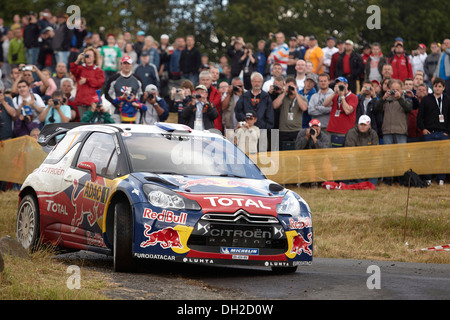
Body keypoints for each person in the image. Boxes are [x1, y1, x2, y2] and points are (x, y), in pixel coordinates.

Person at [417, 78, 449, 185]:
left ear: (443, 88)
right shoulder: (426, 99)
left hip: (443, 134)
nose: (437, 88)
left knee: (443, 157)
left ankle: (441, 179)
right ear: (432, 87)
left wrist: (448, 132)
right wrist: (423, 129)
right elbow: (419, 117)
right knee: (428, 157)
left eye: (440, 86)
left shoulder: (448, 100)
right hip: (429, 133)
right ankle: (428, 179)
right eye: (435, 86)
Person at [105, 55, 143, 123]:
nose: (126, 66)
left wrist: (137, 104)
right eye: (124, 63)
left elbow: (142, 95)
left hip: (133, 113)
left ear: (131, 65)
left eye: (128, 64)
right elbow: (107, 94)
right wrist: (116, 103)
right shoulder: (113, 79)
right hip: (117, 112)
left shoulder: (137, 79)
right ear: (121, 64)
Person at [273, 76, 308, 149]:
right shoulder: (282, 97)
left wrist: (296, 93)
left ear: (296, 86)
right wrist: (284, 92)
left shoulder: (301, 97)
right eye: (288, 86)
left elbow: (304, 108)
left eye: (291, 86)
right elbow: (274, 106)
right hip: (283, 130)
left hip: (297, 130)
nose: (290, 88)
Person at [70, 47, 105, 118]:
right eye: (86, 55)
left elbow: (99, 83)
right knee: (82, 123)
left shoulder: (98, 71)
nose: (88, 57)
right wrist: (78, 60)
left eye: (90, 55)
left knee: (92, 123)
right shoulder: (80, 68)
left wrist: (87, 80)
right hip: (81, 102)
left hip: (92, 103)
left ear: (94, 58)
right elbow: (73, 71)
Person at [344, 115, 379, 185]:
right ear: (358, 124)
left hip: (369, 158)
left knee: (377, 160)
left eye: (365, 125)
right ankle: (360, 183)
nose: (362, 126)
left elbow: (376, 150)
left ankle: (371, 184)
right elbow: (349, 150)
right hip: (355, 158)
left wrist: (368, 157)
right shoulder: (351, 133)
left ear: (369, 125)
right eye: (361, 124)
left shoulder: (373, 134)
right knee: (351, 159)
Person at [323, 76, 358, 147]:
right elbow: (325, 104)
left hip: (344, 131)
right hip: (331, 129)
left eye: (341, 85)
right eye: (338, 85)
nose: (340, 86)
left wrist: (342, 97)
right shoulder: (335, 96)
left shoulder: (353, 97)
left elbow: (348, 111)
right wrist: (334, 93)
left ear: (347, 85)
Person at [375, 79, 412, 145]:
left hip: (401, 132)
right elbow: (377, 109)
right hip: (387, 132)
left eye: (397, 89)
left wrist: (399, 98)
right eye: (393, 89)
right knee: (388, 154)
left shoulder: (406, 100)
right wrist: (383, 98)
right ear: (389, 89)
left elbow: (408, 109)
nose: (395, 91)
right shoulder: (385, 100)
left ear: (401, 89)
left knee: (401, 154)